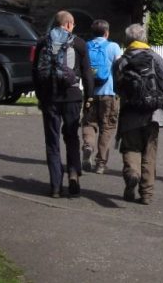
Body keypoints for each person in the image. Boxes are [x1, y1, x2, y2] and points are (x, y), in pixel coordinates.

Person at [114, 23, 163, 205]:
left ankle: (132, 173)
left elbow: (117, 88)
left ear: (127, 40)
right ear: (144, 38)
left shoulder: (121, 62)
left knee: (130, 148)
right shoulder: (155, 58)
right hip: (153, 113)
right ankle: (147, 194)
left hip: (129, 113)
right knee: (149, 153)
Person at [33, 10, 94, 198]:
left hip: (50, 98)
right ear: (68, 24)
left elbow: (35, 71)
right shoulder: (79, 43)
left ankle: (56, 186)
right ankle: (73, 173)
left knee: (52, 142)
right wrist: (89, 98)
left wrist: (40, 96)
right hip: (72, 96)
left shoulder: (42, 42)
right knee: (71, 136)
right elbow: (87, 73)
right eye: (73, 24)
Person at [81, 19, 122, 175]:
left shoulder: (86, 46)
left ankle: (88, 145)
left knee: (89, 122)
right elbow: (120, 67)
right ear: (106, 33)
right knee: (107, 127)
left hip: (91, 92)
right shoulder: (113, 47)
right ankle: (100, 163)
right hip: (109, 92)